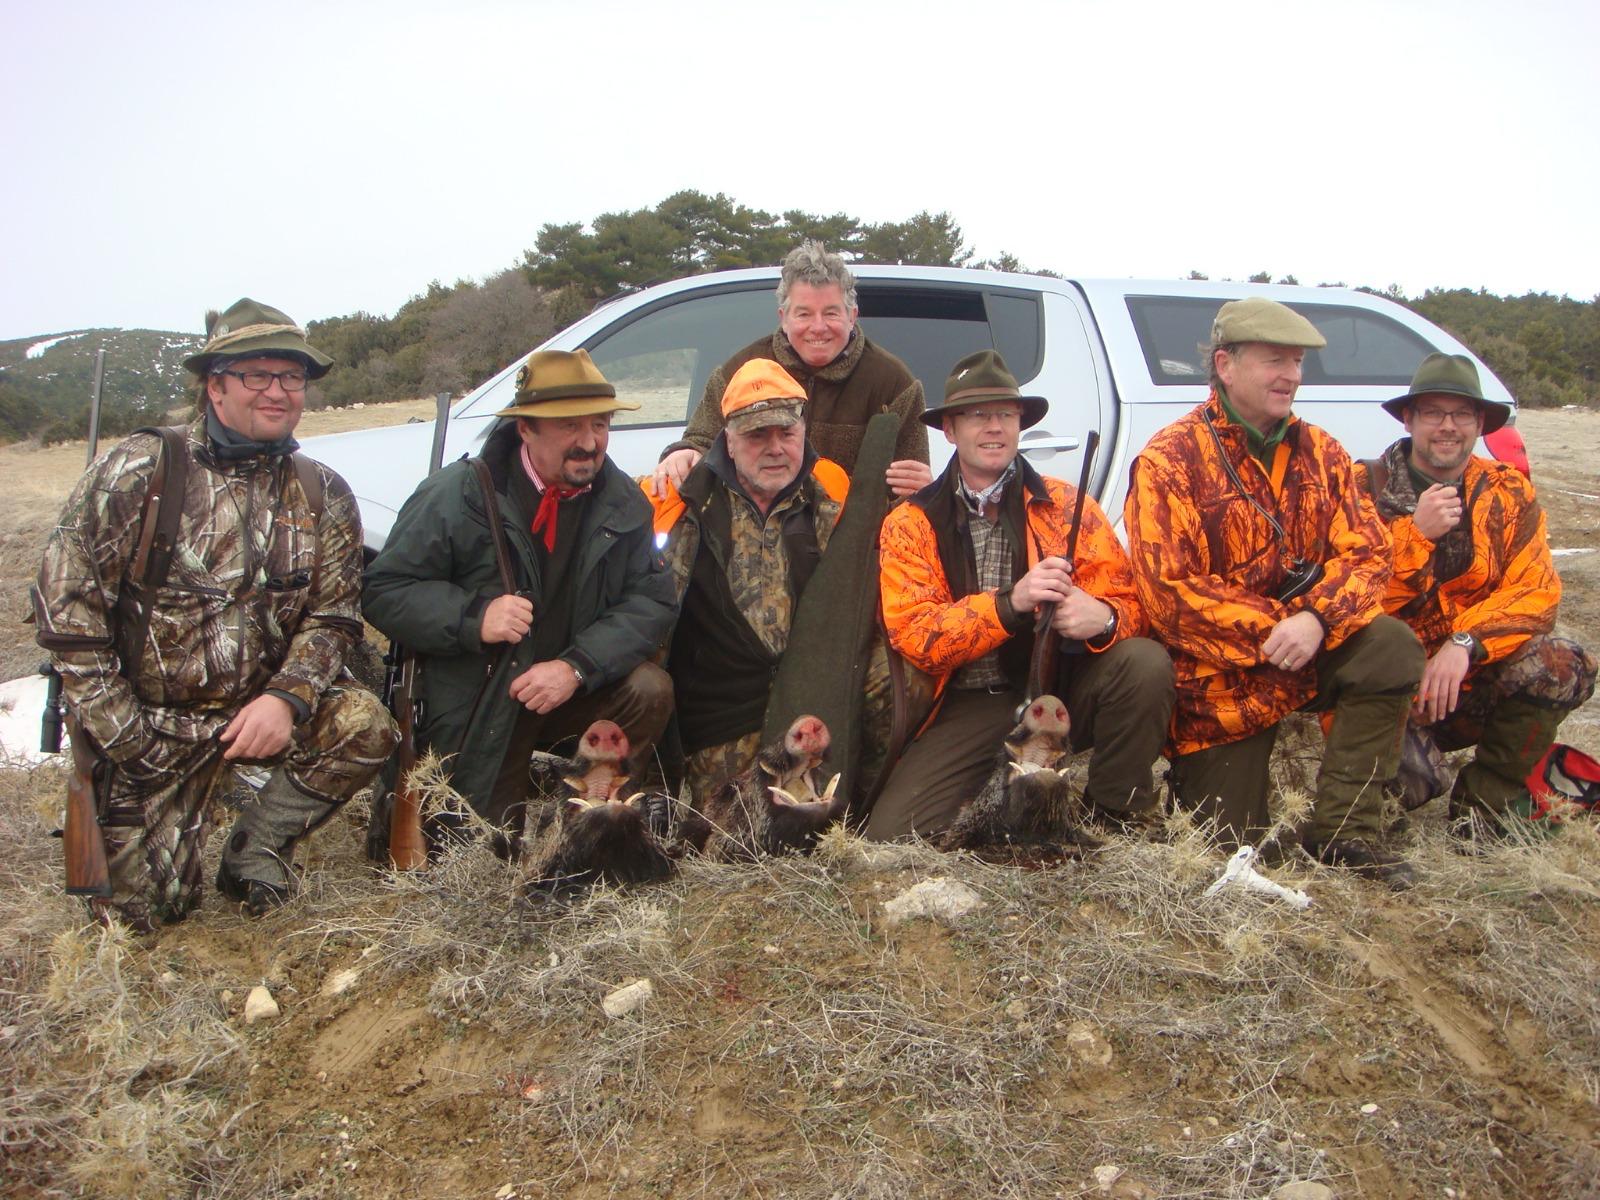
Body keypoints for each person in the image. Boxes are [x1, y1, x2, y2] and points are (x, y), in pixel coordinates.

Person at [33, 298, 398, 928]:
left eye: (292, 377)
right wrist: (126, 736)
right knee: (148, 919)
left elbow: (334, 617)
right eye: (257, 375)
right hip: (149, 725)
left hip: (253, 715)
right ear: (214, 384)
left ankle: (255, 846)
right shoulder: (140, 471)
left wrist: (287, 699)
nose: (278, 392)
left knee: (364, 724)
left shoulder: (323, 491)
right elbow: (68, 613)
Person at [1124, 297, 1425, 887]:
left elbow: (1369, 553)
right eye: (1274, 360)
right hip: (1219, 685)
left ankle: (1347, 831)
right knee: (1227, 851)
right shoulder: (1169, 459)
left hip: (1309, 647)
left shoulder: (1324, 453)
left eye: (1297, 361)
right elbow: (1169, 592)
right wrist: (1276, 630)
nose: (1290, 374)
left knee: (1391, 645)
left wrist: (1314, 618)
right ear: (1225, 365)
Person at [362, 349, 676, 854]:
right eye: (569, 426)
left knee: (647, 689)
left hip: (567, 691)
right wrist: (472, 617)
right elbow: (384, 590)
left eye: (600, 424)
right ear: (525, 430)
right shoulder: (454, 495)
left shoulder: (625, 502)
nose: (590, 442)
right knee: (479, 854)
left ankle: (592, 812)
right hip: (482, 703)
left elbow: (651, 600)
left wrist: (575, 668)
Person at [867, 350, 1174, 841]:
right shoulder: (911, 522)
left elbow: (1134, 602)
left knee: (1145, 662)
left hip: (1060, 692)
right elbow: (917, 634)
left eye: (1006, 415)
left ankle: (1114, 815)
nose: (995, 427)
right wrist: (1012, 603)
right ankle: (1002, 796)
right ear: (949, 430)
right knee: (893, 835)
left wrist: (1106, 618)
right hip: (969, 702)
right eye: (978, 415)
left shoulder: (1067, 506)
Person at [1358, 353, 1596, 833]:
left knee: (1562, 662)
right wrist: (1414, 536)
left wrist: (1464, 643)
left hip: (1465, 679)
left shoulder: (1508, 492)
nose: (1449, 427)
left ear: (1479, 423)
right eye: (1433, 413)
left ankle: (1487, 807)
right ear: (1409, 419)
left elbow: (1535, 591)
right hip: (1386, 687)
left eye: (1463, 414)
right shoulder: (1363, 488)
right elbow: (1348, 601)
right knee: (1409, 788)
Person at [649, 356, 894, 806]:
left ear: (804, 432)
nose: (775, 447)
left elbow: (862, 600)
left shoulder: (832, 494)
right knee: (733, 831)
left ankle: (874, 812)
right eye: (757, 435)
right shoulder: (684, 502)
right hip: (722, 708)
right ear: (727, 439)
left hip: (809, 692)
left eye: (787, 432)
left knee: (888, 672)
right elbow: (651, 623)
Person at [651, 240, 931, 499]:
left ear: (852, 316)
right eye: (804, 314)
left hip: (852, 547)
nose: (818, 327)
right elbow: (700, 439)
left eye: (831, 313)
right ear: (784, 318)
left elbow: (908, 495)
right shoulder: (739, 371)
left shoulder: (894, 385)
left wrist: (929, 493)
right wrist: (683, 453)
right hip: (754, 542)